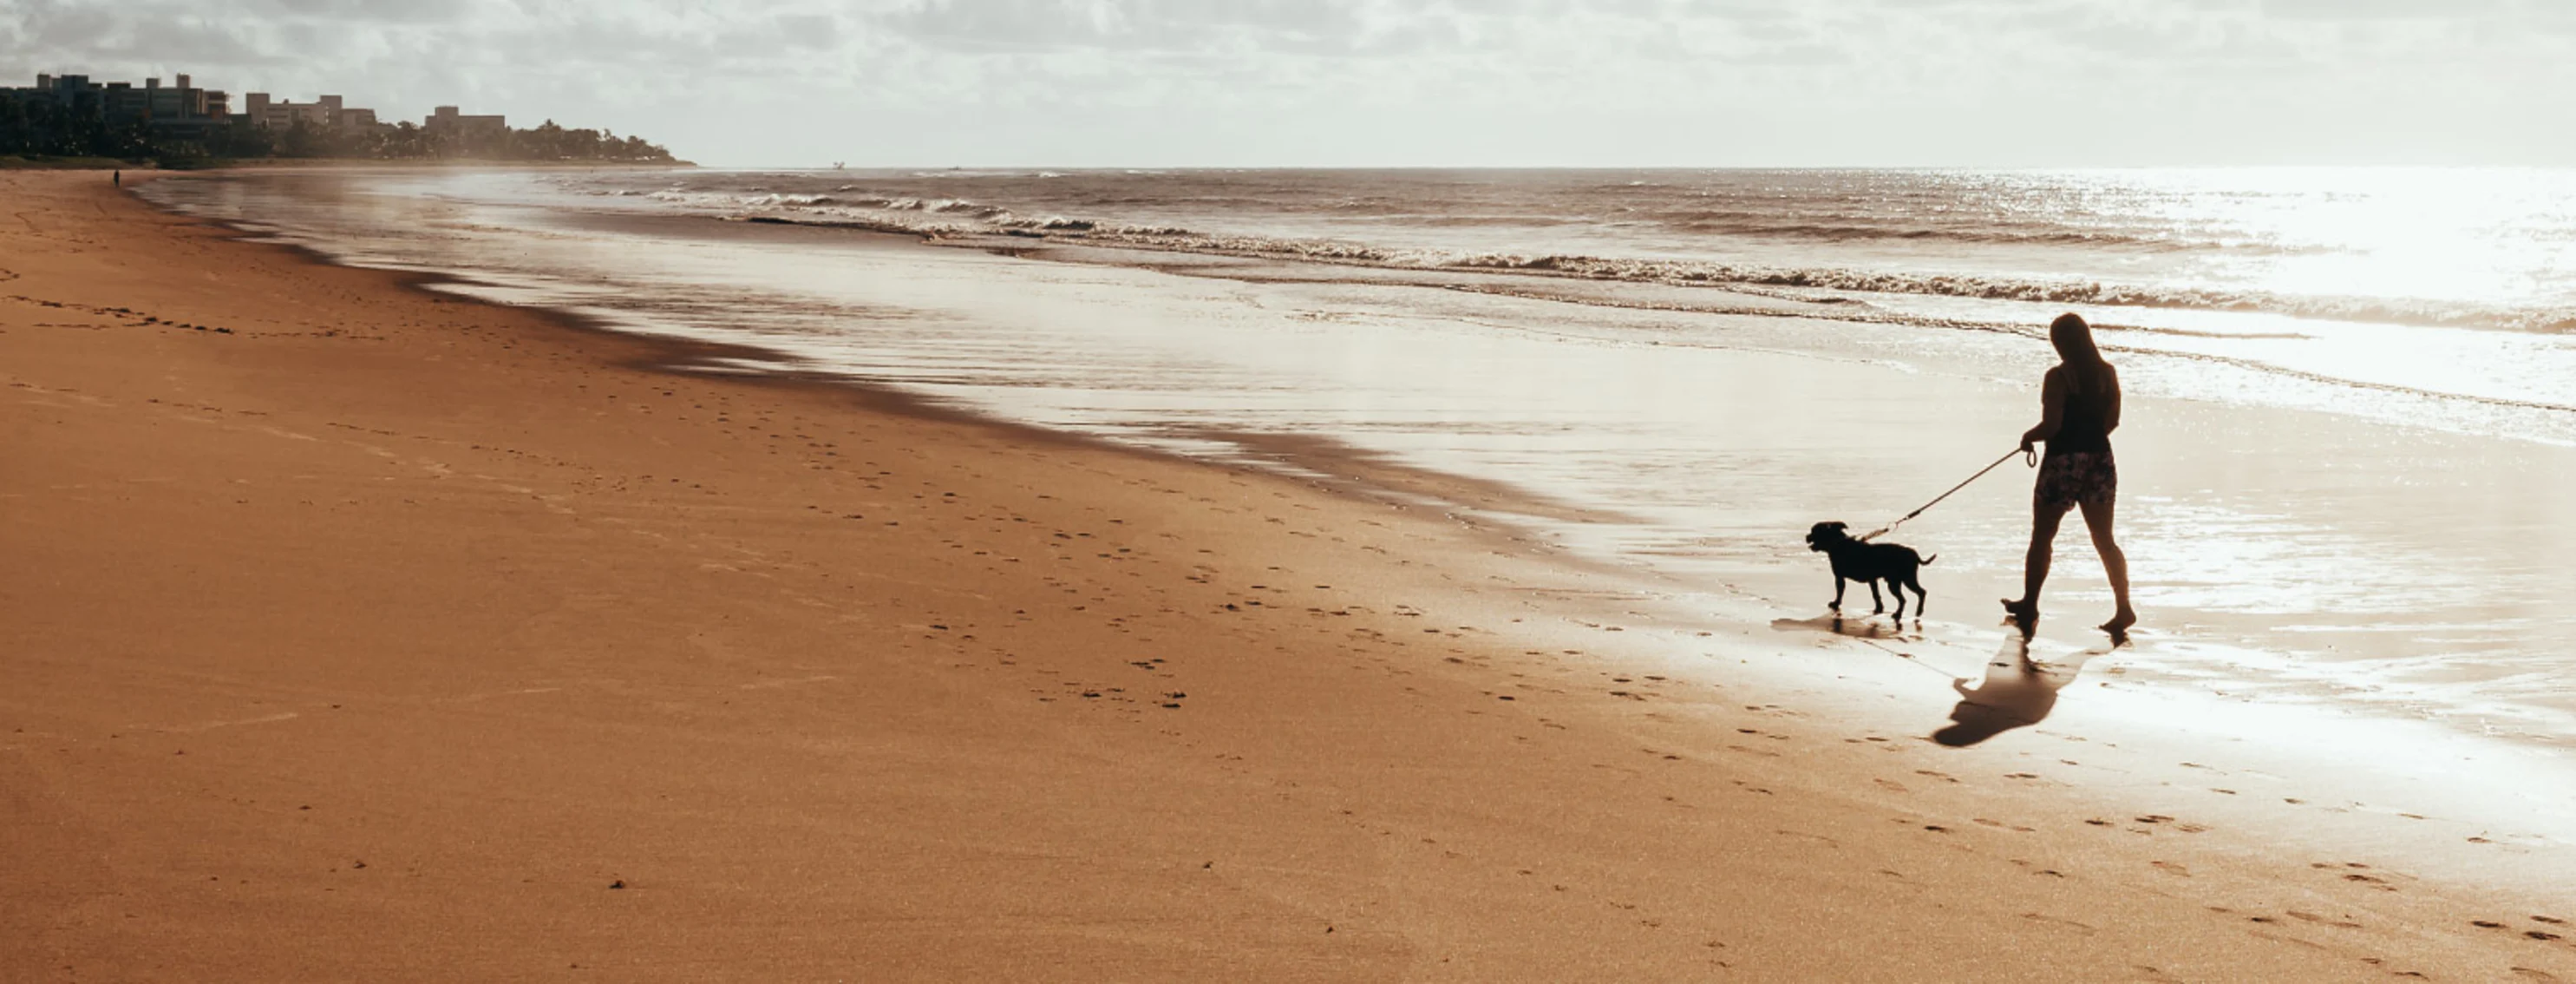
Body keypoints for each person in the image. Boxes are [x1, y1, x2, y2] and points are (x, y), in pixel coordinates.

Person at [2001, 313, 2135, 640]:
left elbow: (2052, 426)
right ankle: (2123, 607)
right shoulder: (2108, 374)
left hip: (2063, 461)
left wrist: (2028, 437)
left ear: (2060, 343)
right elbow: (2112, 421)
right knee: (2104, 539)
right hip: (2100, 459)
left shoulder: (2059, 377)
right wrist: (2089, 442)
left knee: (2043, 536)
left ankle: (2030, 604)